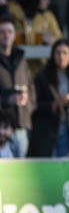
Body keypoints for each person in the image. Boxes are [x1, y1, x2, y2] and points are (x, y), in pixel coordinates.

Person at [29, 39, 69, 158]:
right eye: (58, 53)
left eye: (65, 53)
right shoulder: (42, 77)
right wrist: (54, 105)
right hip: (47, 131)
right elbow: (34, 104)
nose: (61, 57)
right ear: (53, 55)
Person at [0, 16, 36, 156]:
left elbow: (31, 87)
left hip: (21, 123)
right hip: (2, 126)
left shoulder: (21, 59)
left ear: (15, 35)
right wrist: (6, 99)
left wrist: (28, 104)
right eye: (2, 32)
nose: (6, 35)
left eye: (9, 32)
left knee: (22, 164)